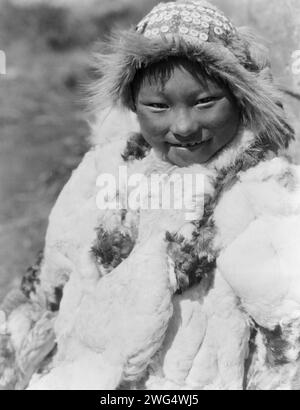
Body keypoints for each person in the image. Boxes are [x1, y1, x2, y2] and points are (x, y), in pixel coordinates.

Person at [1, 0, 300, 390]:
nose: (183, 125)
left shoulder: (266, 194)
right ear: (133, 106)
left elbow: (284, 345)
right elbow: (45, 289)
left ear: (241, 97)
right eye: (158, 106)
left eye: (206, 101)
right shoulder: (104, 172)